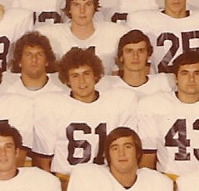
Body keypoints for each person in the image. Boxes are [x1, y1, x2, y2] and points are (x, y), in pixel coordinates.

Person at [32, 47, 139, 177]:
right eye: (75, 75)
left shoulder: (117, 102)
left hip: (106, 179)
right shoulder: (52, 106)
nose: (82, 81)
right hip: (67, 179)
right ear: (67, 80)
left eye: (86, 74)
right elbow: (43, 160)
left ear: (95, 75)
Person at [42, 0, 126, 76]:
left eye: (88, 4)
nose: (82, 11)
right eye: (76, 5)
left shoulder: (114, 33)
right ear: (69, 8)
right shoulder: (51, 34)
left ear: (95, 7)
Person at [99, 29, 170, 98]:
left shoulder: (163, 84)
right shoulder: (107, 85)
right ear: (121, 56)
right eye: (129, 51)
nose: (135, 56)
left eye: (141, 51)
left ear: (148, 56)